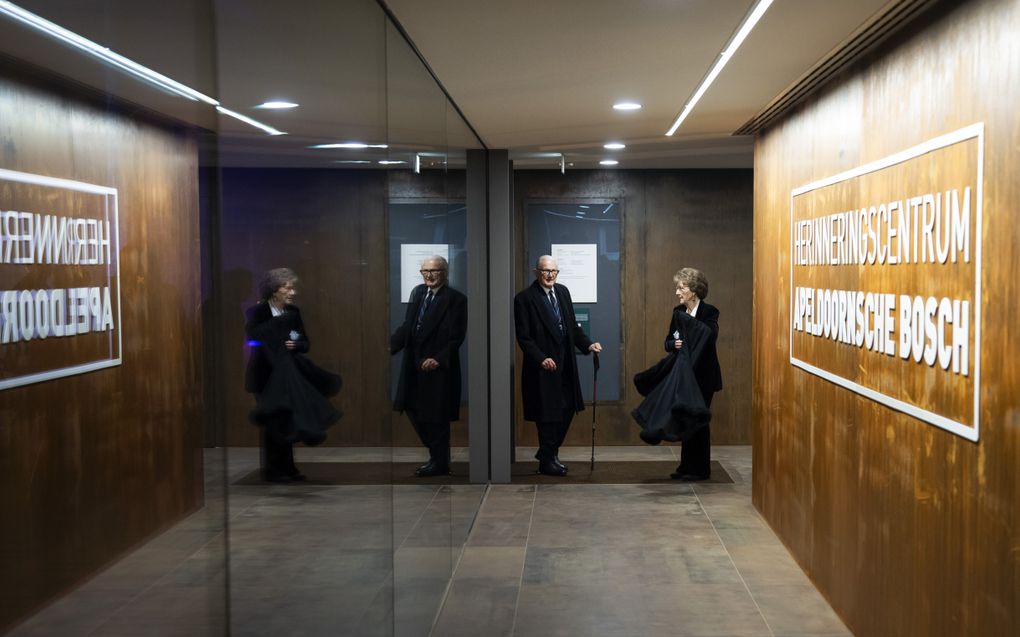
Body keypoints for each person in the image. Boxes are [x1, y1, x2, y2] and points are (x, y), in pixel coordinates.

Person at [245, 268, 341, 482]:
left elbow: (304, 343)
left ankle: (287, 468)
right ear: (274, 289)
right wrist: (281, 322)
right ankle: (273, 470)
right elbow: (254, 336)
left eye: (292, 287)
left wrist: (296, 344)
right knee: (273, 421)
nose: (292, 291)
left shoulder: (294, 311)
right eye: (287, 287)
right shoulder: (257, 311)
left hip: (290, 375)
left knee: (287, 420)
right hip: (266, 377)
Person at [514, 255, 602, 476]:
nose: (550, 275)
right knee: (547, 414)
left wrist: (589, 344)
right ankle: (548, 461)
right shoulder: (524, 298)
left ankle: (547, 452)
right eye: (545, 271)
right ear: (536, 272)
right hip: (543, 366)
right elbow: (524, 337)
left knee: (569, 407)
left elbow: (572, 327)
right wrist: (541, 358)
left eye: (554, 271)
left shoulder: (562, 292)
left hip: (565, 363)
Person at [391, 256, 467, 477]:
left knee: (437, 417)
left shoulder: (456, 299)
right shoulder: (418, 294)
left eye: (434, 271)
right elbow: (408, 326)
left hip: (439, 369)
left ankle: (439, 461)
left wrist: (438, 358)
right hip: (413, 365)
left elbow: (456, 337)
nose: (429, 275)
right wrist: (389, 346)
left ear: (445, 272)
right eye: (425, 271)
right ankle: (436, 455)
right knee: (413, 409)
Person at [664, 267, 722, 480]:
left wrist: (686, 325)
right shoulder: (677, 312)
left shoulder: (710, 312)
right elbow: (667, 342)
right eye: (677, 288)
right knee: (686, 421)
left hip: (703, 379)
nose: (678, 293)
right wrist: (674, 343)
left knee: (699, 420)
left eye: (681, 288)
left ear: (695, 290)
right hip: (684, 377)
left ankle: (701, 470)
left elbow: (708, 336)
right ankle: (686, 467)